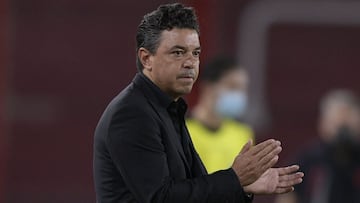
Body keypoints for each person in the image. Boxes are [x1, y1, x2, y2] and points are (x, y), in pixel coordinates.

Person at [93, 3, 303, 203]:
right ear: (146, 59)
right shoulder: (132, 114)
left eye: (196, 53)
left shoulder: (168, 110)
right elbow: (160, 198)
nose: (190, 63)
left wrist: (242, 186)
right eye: (177, 52)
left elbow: (194, 189)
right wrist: (235, 179)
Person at [275, 89, 360, 203]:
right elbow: (287, 196)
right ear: (323, 124)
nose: (342, 134)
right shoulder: (309, 159)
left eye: (347, 126)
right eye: (337, 125)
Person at [186, 56, 254, 174]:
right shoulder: (182, 131)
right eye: (233, 87)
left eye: (243, 89)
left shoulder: (243, 134)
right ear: (208, 88)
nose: (239, 95)